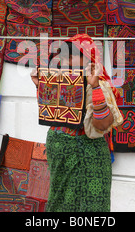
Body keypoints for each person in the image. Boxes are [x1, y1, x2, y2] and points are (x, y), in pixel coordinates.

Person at [31, 34, 123, 212]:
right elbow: (54, 114)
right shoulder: (59, 81)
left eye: (71, 56)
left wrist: (95, 87)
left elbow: (103, 125)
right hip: (60, 150)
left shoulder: (98, 85)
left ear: (89, 59)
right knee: (60, 200)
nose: (65, 60)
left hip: (89, 153)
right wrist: (40, 86)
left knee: (92, 204)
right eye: (63, 56)